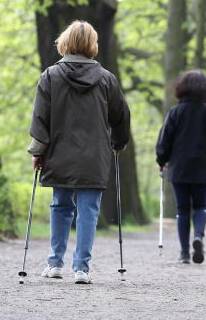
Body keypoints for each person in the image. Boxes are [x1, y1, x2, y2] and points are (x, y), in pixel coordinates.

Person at [28, 20, 130, 284]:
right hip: (94, 155)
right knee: (89, 210)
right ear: (91, 45)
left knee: (60, 206)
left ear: (65, 42)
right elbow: (121, 116)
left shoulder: (50, 76)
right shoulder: (107, 79)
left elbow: (41, 118)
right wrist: (118, 143)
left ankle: (54, 263)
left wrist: (38, 151)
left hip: (59, 152)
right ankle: (81, 268)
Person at [156, 70, 206, 264]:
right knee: (200, 206)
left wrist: (162, 160)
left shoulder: (175, 112)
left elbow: (165, 139)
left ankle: (184, 253)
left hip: (178, 167)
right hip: (201, 166)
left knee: (183, 210)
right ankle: (198, 236)